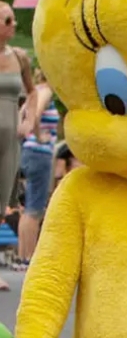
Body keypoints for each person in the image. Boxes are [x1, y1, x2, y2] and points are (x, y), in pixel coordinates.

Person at [0, 2, 33, 290]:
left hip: (10, 139)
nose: (13, 25)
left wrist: (28, 119)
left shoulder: (20, 56)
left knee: (2, 200)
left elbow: (33, 93)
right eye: (7, 20)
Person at [17, 67, 59, 269]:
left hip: (27, 151)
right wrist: (40, 135)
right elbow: (37, 112)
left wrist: (24, 135)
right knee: (35, 208)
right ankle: (31, 257)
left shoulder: (32, 93)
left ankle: (23, 255)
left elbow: (21, 115)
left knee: (28, 208)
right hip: (40, 153)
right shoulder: (46, 91)